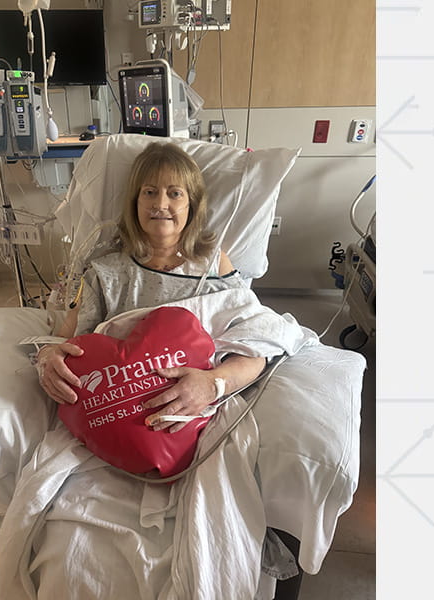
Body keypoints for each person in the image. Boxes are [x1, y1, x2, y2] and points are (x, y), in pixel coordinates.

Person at [35, 142, 265, 433]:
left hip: (196, 415)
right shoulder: (106, 273)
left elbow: (256, 345)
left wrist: (213, 384)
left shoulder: (213, 267)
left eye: (175, 193)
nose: (160, 204)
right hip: (117, 417)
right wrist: (48, 358)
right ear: (135, 203)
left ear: (192, 204)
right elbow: (65, 340)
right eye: (150, 192)